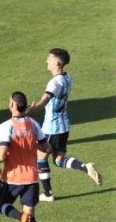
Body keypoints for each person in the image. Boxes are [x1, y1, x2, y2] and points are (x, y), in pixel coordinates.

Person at [26, 48, 102, 202]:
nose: (46, 61)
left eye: (49, 58)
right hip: (64, 126)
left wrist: (35, 108)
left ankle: (48, 194)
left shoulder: (55, 82)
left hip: (52, 128)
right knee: (59, 160)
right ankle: (85, 167)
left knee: (40, 157)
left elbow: (46, 99)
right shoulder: (67, 77)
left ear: (57, 63)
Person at [0, 92, 52, 222]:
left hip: (13, 178)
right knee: (32, 216)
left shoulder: (6, 126)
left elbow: (1, 155)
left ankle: (19, 217)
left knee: (0, 203)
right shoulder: (33, 124)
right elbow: (47, 147)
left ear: (12, 105)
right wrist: (32, 147)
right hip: (32, 178)